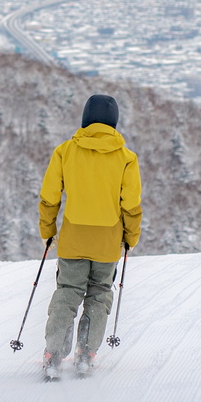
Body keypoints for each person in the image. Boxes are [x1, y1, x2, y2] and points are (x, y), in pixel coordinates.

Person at [38, 94, 141, 378]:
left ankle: (53, 354)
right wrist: (130, 237)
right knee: (98, 294)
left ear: (85, 118)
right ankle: (86, 353)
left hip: (73, 239)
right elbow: (130, 205)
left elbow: (49, 198)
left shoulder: (65, 151)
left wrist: (48, 231)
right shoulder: (126, 158)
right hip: (108, 242)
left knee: (67, 292)